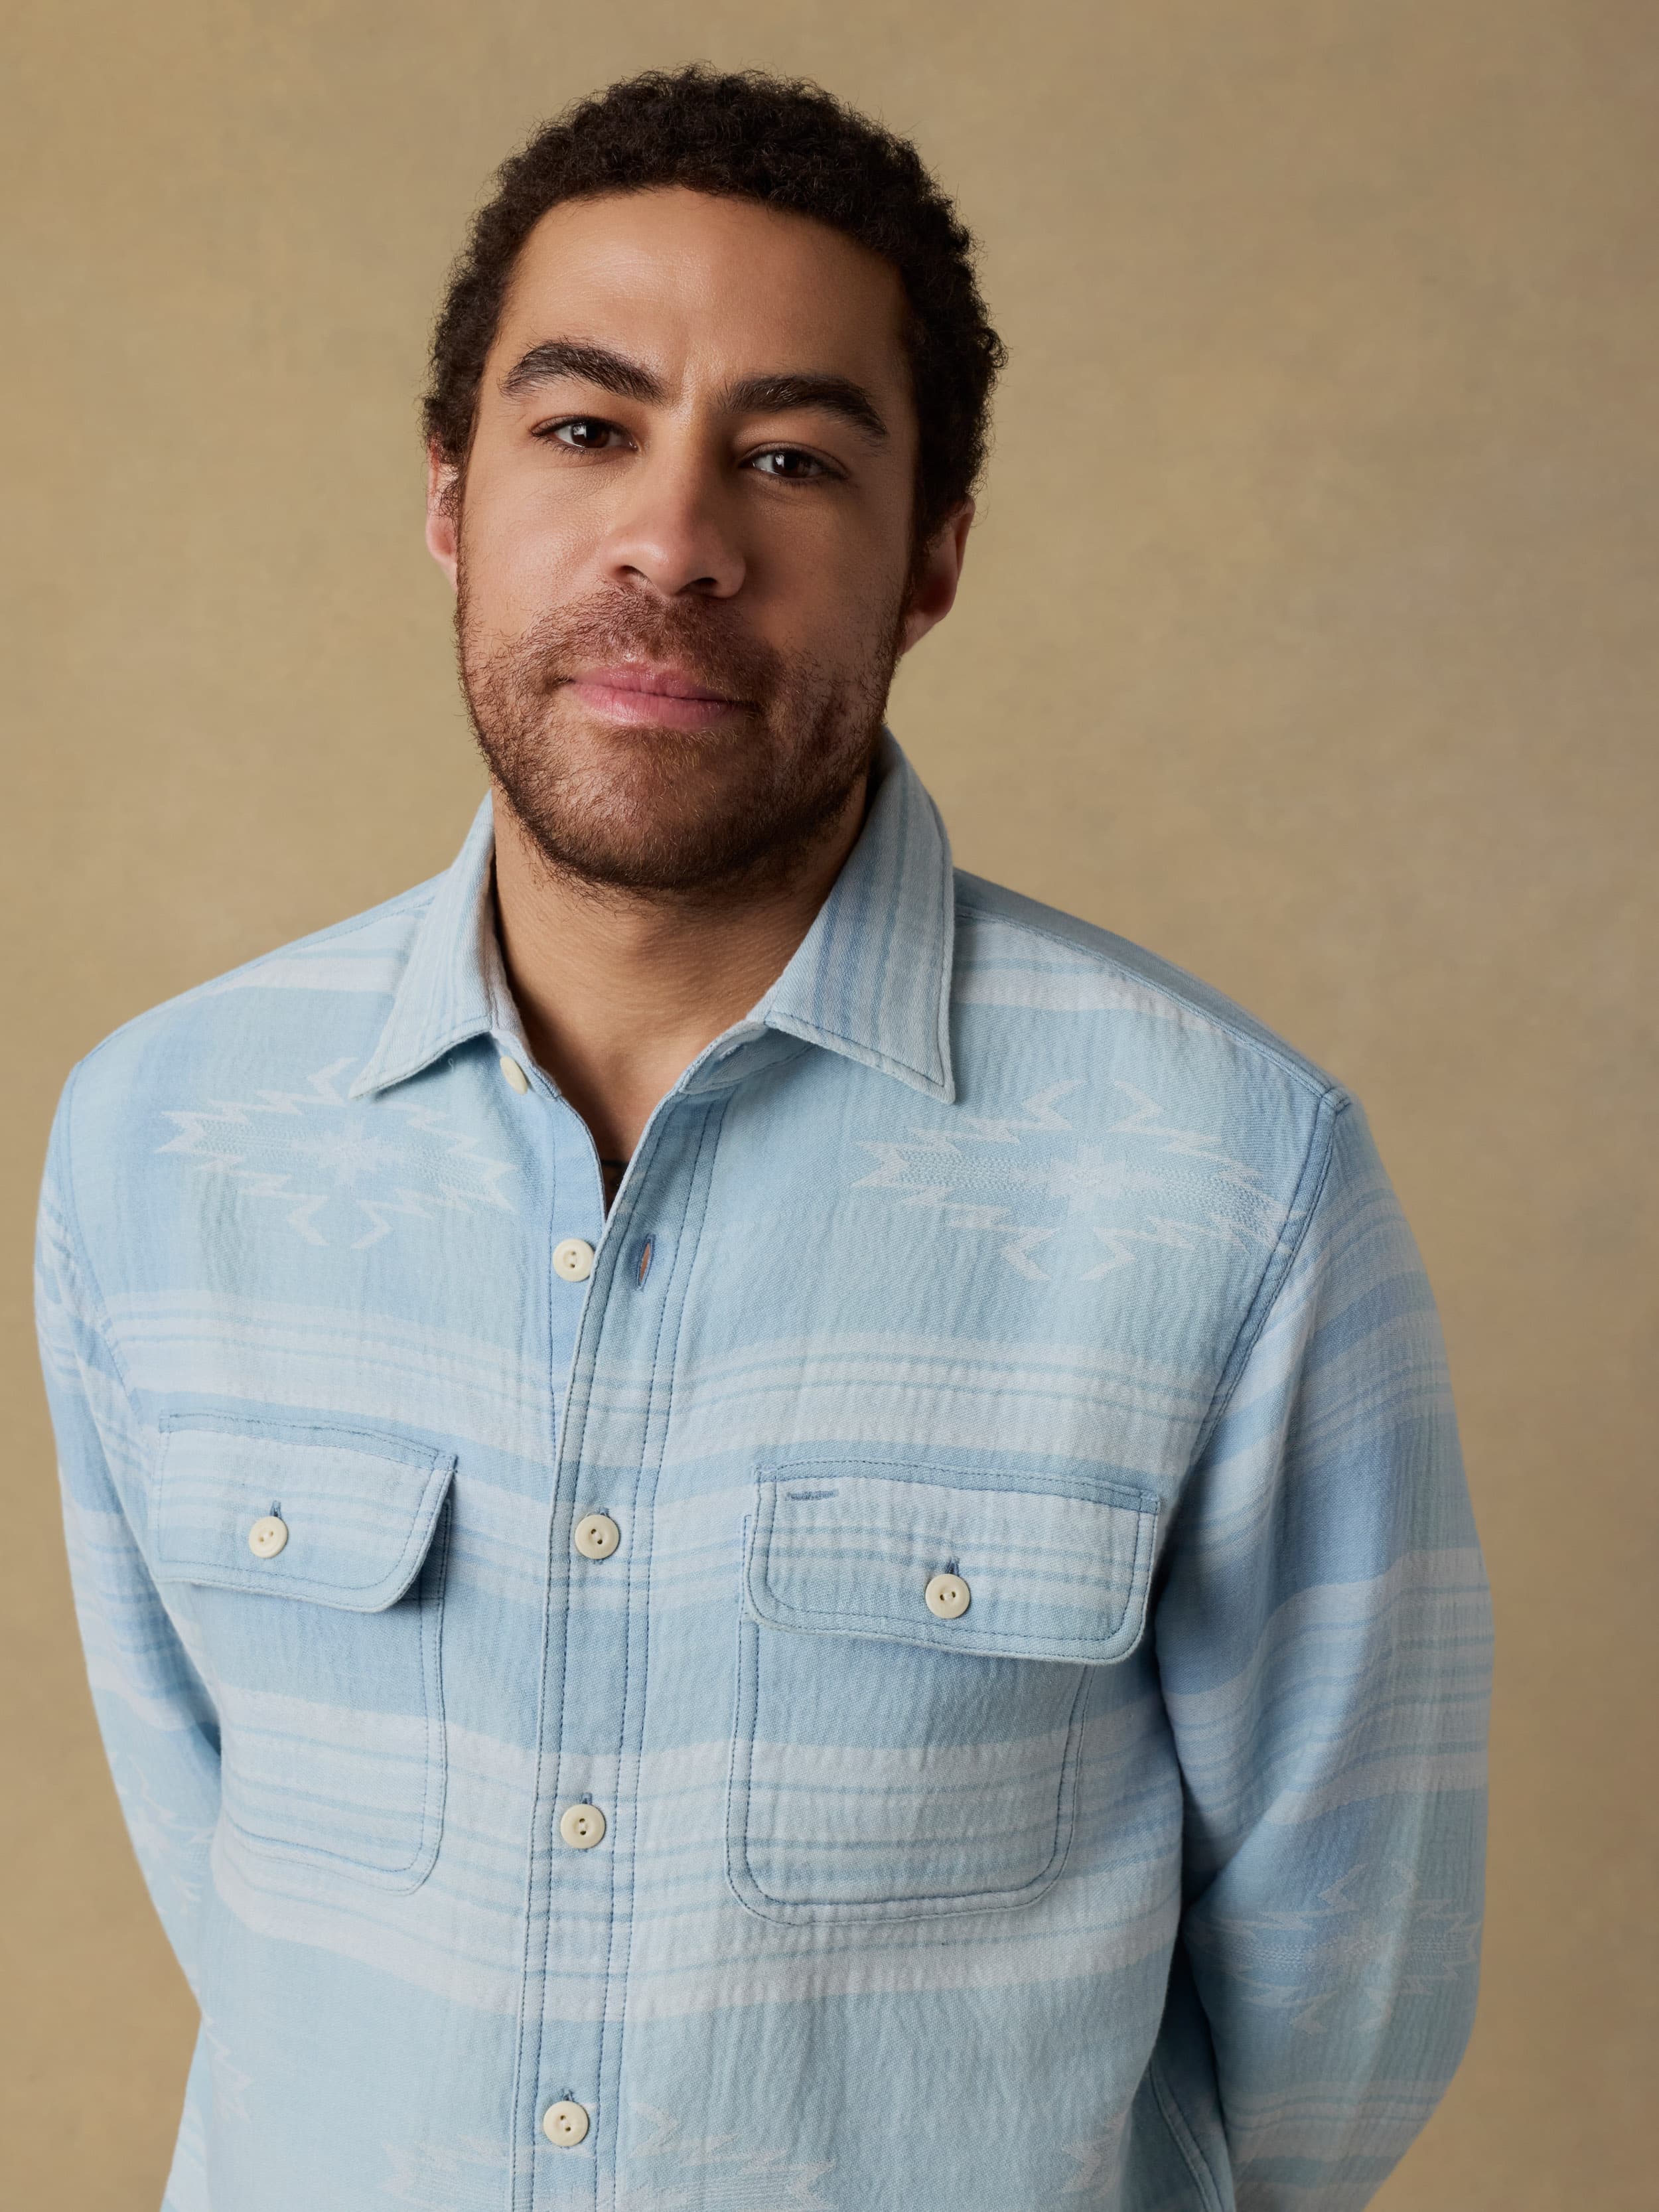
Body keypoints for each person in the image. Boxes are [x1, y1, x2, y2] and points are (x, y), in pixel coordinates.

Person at [34, 64, 1492, 2212]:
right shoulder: (164, 1141)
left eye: (792, 457)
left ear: (930, 565)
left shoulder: (1227, 1185)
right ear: (450, 498)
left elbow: (1341, 1990)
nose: (675, 540)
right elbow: (224, 1864)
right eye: (584, 428)